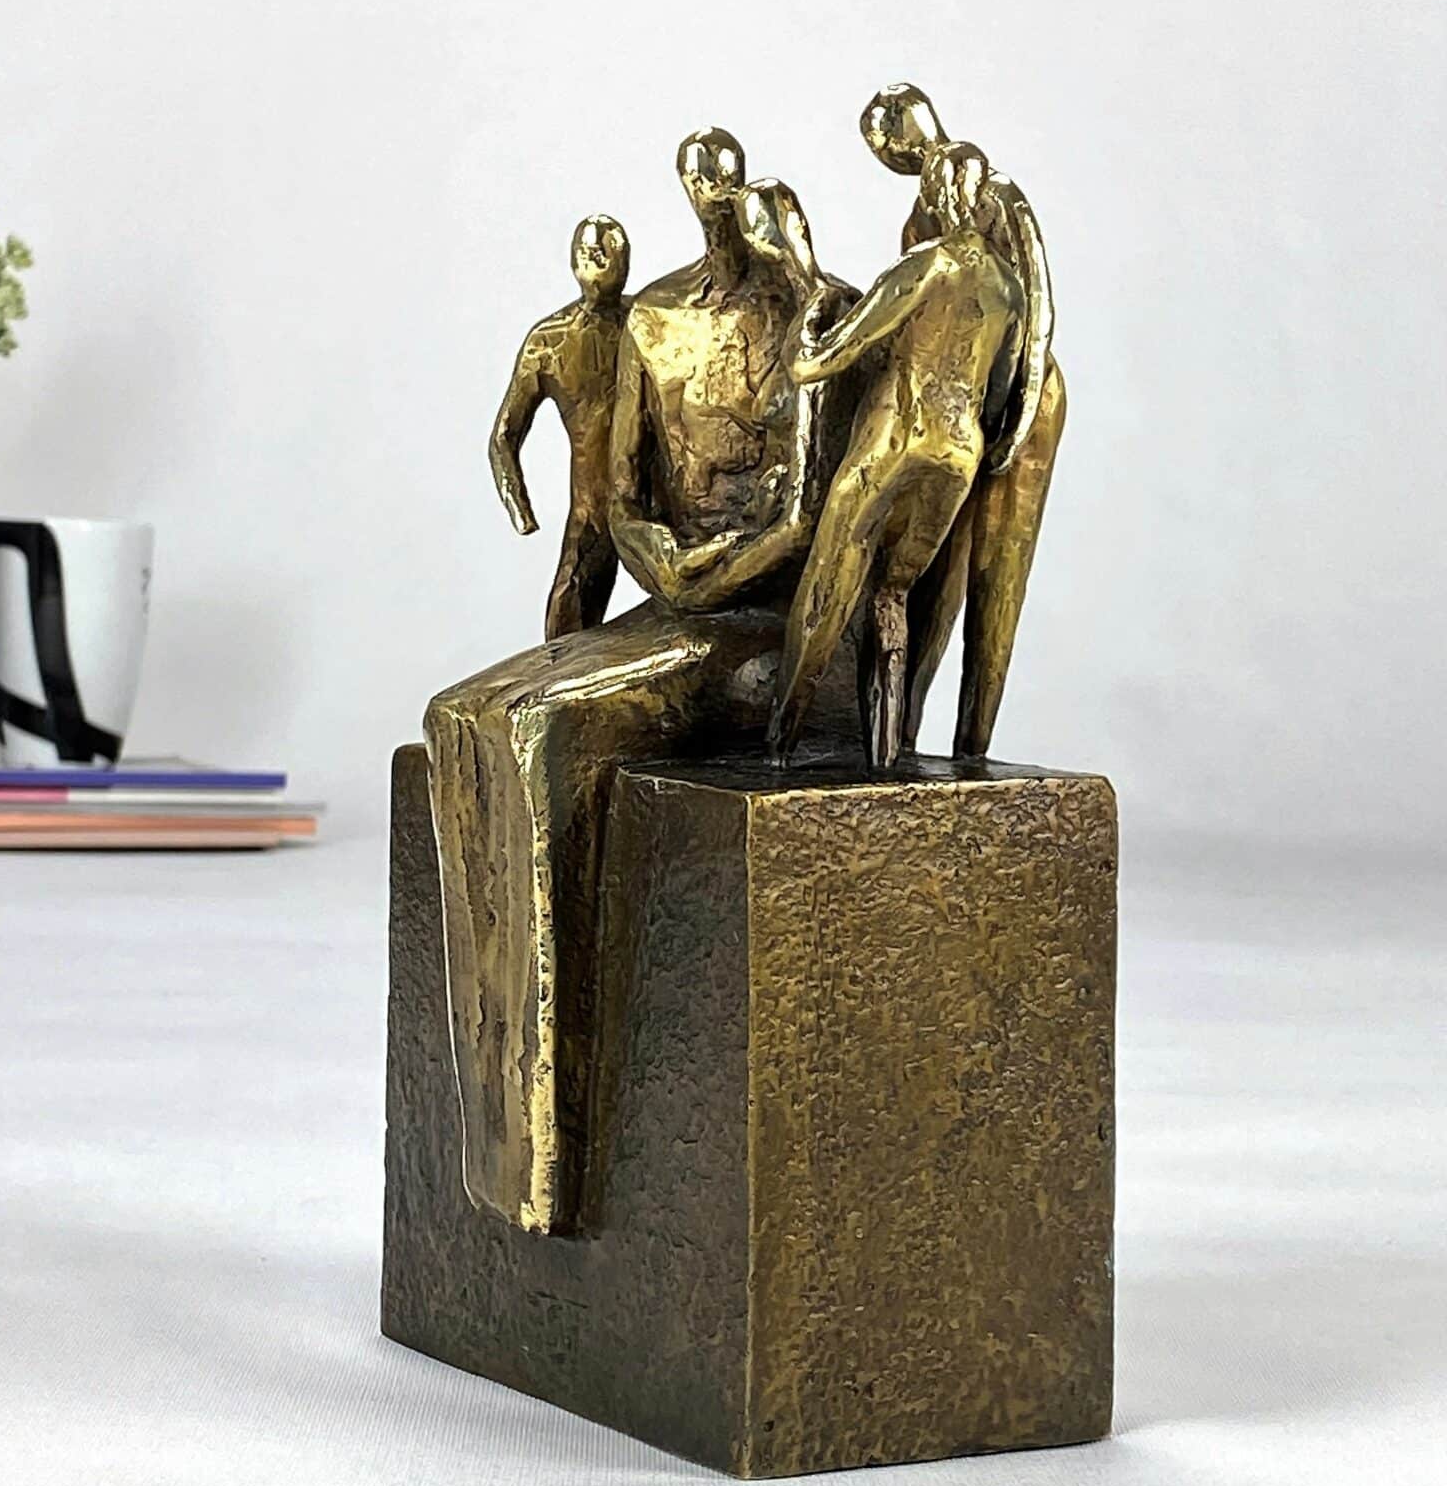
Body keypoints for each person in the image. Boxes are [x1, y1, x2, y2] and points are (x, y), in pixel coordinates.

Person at [425, 132, 855, 1237]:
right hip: (678, 602)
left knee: (536, 729)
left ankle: (543, 1164)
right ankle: (504, 1139)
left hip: (779, 629)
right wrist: (666, 562)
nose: (722, 209)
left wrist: (722, 574)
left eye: (736, 193)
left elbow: (822, 517)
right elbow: (620, 501)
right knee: (463, 714)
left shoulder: (828, 317)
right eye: (705, 190)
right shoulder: (653, 321)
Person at [769, 143, 1024, 769]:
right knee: (893, 595)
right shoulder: (1009, 288)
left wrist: (805, 325)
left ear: (936, 195)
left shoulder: (926, 266)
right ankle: (883, 760)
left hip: (898, 436)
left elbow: (822, 361)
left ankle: (779, 744)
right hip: (959, 452)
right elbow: (1000, 393)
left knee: (830, 580)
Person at [859, 81, 1068, 757]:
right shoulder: (920, 218)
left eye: (887, 142)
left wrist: (1018, 413)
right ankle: (903, 738)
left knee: (997, 577)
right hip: (956, 410)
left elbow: (1038, 308)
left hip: (1015, 403)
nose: (890, 157)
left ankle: (974, 743)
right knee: (934, 572)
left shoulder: (995, 192)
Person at [488, 214, 630, 640]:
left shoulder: (649, 322)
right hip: (594, 507)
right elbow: (504, 436)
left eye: (609, 254)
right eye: (588, 253)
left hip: (658, 499)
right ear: (572, 261)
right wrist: (521, 510)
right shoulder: (549, 341)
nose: (598, 263)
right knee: (566, 627)